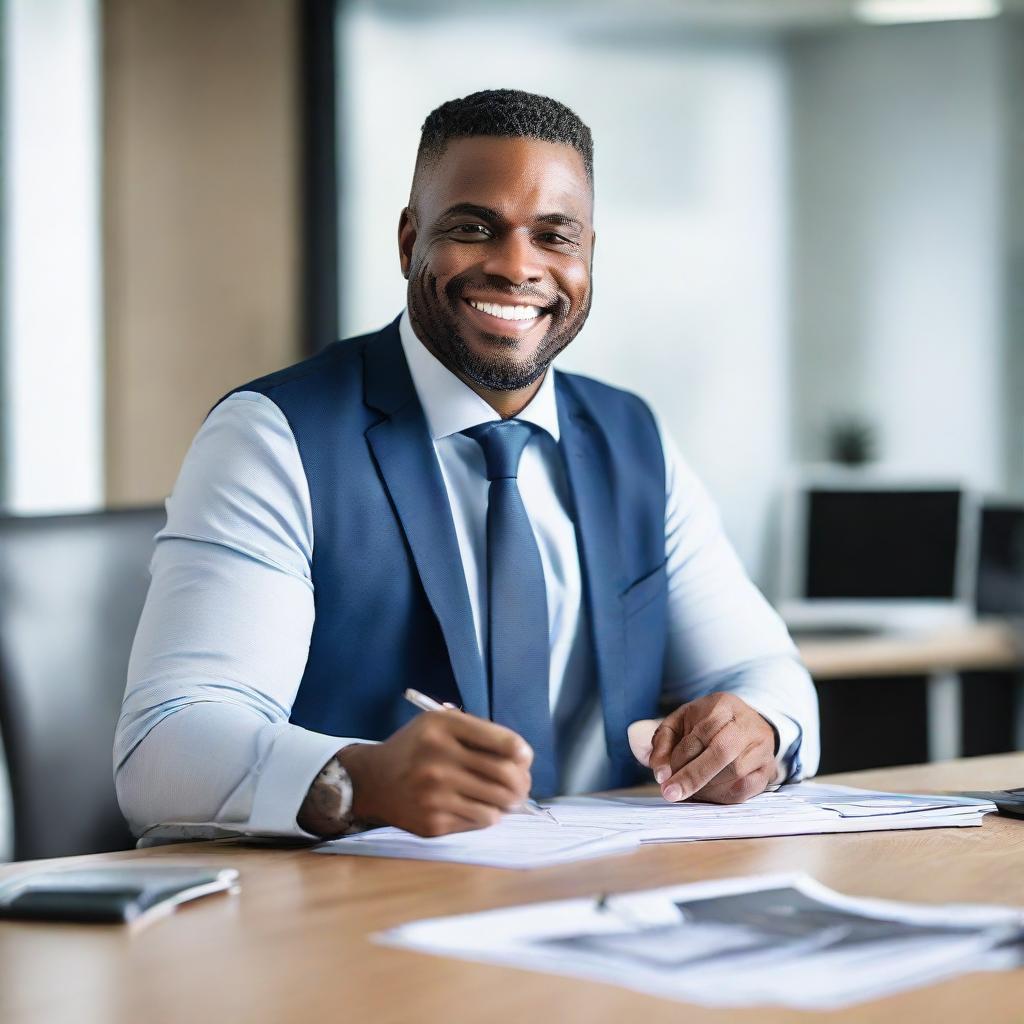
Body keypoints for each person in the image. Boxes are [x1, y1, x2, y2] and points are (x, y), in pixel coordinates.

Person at [115, 89, 819, 842]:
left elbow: (768, 674)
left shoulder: (634, 438)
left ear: (586, 258)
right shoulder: (274, 437)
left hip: (605, 904)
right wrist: (360, 780)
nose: (518, 268)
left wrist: (760, 731)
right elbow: (162, 746)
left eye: (555, 237)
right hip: (351, 920)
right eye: (474, 228)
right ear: (408, 241)